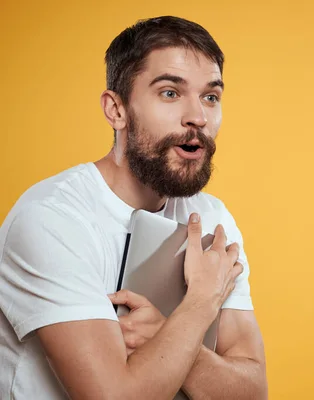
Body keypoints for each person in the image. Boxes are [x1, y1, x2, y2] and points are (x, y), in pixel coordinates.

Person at [0, 16, 267, 399]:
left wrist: (165, 333)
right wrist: (201, 303)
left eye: (210, 96)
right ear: (117, 110)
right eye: (170, 93)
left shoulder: (212, 218)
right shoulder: (51, 219)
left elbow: (253, 392)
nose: (198, 116)